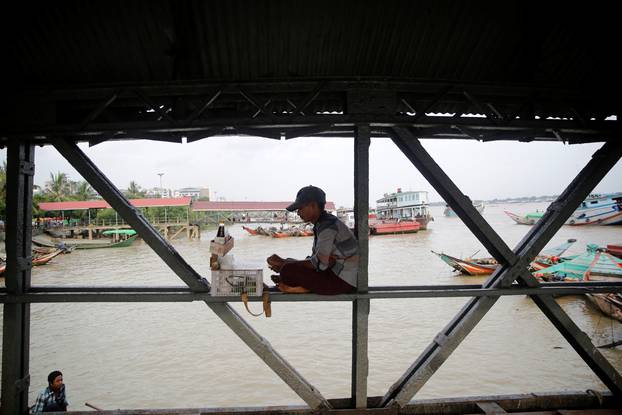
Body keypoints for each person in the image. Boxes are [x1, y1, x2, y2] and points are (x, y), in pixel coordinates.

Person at [267, 185, 358, 295]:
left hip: (344, 281)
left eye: (300, 208)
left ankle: (303, 287)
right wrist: (286, 262)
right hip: (336, 274)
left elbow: (319, 264)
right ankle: (299, 284)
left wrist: (283, 263)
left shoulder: (327, 227)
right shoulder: (322, 224)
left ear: (313, 206)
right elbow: (322, 261)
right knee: (288, 266)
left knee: (287, 271)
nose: (298, 213)